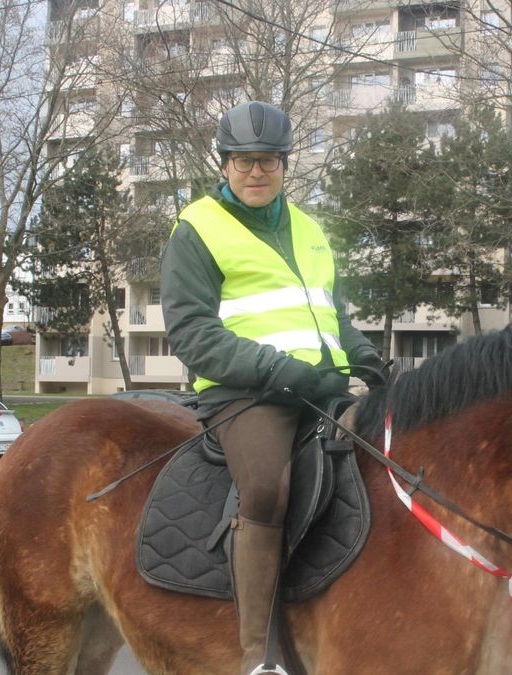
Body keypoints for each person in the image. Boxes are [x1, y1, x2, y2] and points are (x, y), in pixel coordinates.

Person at [161, 101, 384, 675]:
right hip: (245, 393)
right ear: (226, 164)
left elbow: (329, 312)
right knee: (265, 490)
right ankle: (257, 656)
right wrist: (274, 368)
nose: (255, 172)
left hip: (320, 384)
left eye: (267, 161)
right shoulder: (197, 227)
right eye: (243, 161)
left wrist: (364, 356)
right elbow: (191, 332)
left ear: (285, 165)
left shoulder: (308, 227)